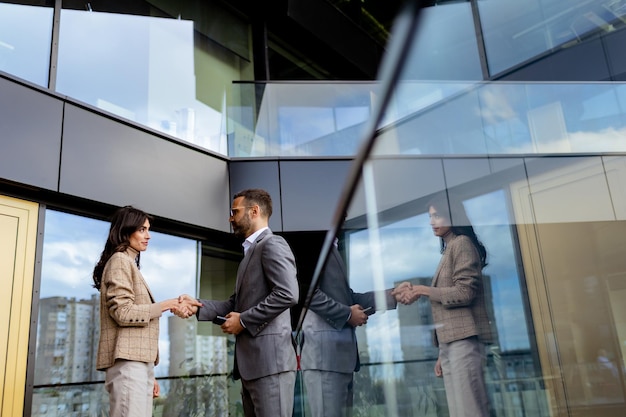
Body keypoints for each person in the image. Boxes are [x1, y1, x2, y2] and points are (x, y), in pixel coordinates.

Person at [177, 189, 299, 417]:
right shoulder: (250, 252)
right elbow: (236, 304)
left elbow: (288, 293)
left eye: (234, 212)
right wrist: (198, 305)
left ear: (254, 211)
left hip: (271, 366)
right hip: (252, 368)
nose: (230, 217)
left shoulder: (272, 244)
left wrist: (243, 320)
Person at [92, 205, 201, 417]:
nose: (148, 236)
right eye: (142, 230)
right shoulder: (119, 261)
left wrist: (149, 373)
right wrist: (168, 304)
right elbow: (123, 312)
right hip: (128, 366)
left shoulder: (129, 263)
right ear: (126, 231)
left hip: (138, 366)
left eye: (148, 229)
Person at [393, 195, 494, 417]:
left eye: (437, 215)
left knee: (471, 411)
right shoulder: (449, 249)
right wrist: (442, 352)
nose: (431, 222)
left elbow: (465, 293)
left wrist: (422, 290)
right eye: (430, 216)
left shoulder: (462, 244)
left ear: (453, 215)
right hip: (450, 345)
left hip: (464, 343)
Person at [300, 237, 406, 417]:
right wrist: (347, 314)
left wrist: (393, 295)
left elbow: (348, 298)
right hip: (324, 358)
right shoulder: (313, 243)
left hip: (339, 359)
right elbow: (306, 292)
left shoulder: (332, 246)